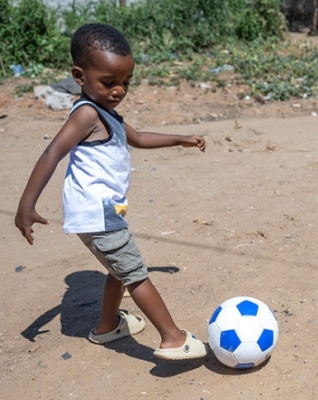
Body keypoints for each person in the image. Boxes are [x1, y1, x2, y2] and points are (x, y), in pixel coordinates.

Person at [14, 23, 209, 358]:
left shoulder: (108, 112)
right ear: (79, 75)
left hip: (105, 210)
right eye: (109, 82)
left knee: (118, 269)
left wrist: (181, 139)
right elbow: (52, 153)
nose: (119, 90)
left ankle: (107, 327)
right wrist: (26, 206)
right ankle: (173, 338)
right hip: (97, 211)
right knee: (135, 274)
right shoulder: (87, 114)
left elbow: (139, 138)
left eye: (126, 82)